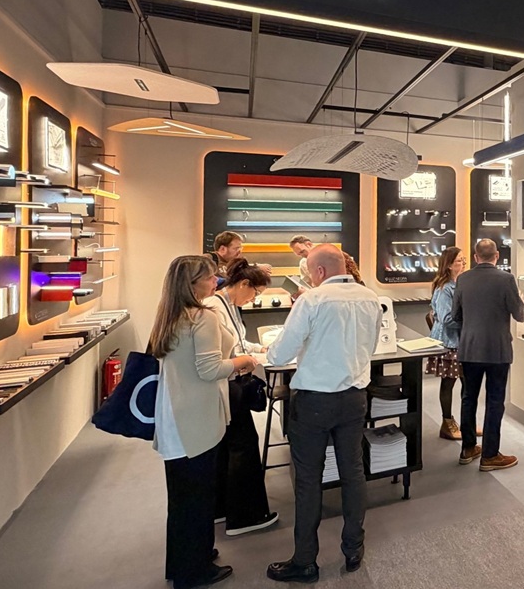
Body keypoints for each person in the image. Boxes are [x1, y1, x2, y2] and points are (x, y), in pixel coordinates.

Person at [266, 245, 382, 582]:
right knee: (353, 472)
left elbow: (279, 355)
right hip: (354, 398)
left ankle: (305, 561)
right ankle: (353, 549)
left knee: (308, 480)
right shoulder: (370, 298)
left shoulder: (312, 300)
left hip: (314, 402)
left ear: (318, 272)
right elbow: (371, 347)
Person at [151, 255, 258, 589]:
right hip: (195, 419)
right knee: (198, 498)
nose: (217, 282)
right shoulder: (203, 317)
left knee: (182, 498)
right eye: (211, 277)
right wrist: (242, 361)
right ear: (194, 283)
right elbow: (210, 369)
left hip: (174, 415)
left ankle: (183, 562)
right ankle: (194, 572)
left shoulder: (170, 315)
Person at [202, 259, 279, 536]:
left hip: (228, 385)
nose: (254, 299)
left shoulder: (228, 306)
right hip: (226, 385)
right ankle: (245, 516)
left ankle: (224, 509)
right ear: (244, 284)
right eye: (255, 293)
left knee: (231, 447)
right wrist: (245, 359)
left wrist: (257, 349)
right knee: (243, 446)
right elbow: (221, 353)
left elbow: (236, 342)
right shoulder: (214, 308)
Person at [452, 239, 524, 471]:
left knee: (468, 398)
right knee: (495, 401)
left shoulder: (463, 279)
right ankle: (490, 455)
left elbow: (455, 315)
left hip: (469, 348)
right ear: (497, 256)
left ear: (476, 257)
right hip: (497, 350)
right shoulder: (506, 279)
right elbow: (520, 315)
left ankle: (467, 448)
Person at [428, 247, 467, 441]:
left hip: (460, 341)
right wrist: (469, 321)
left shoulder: (458, 284)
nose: (463, 264)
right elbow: (446, 318)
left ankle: (465, 423)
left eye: (463, 259)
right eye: (459, 260)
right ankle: (447, 422)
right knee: (449, 383)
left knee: (466, 382)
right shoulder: (445, 289)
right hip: (450, 342)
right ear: (449, 265)